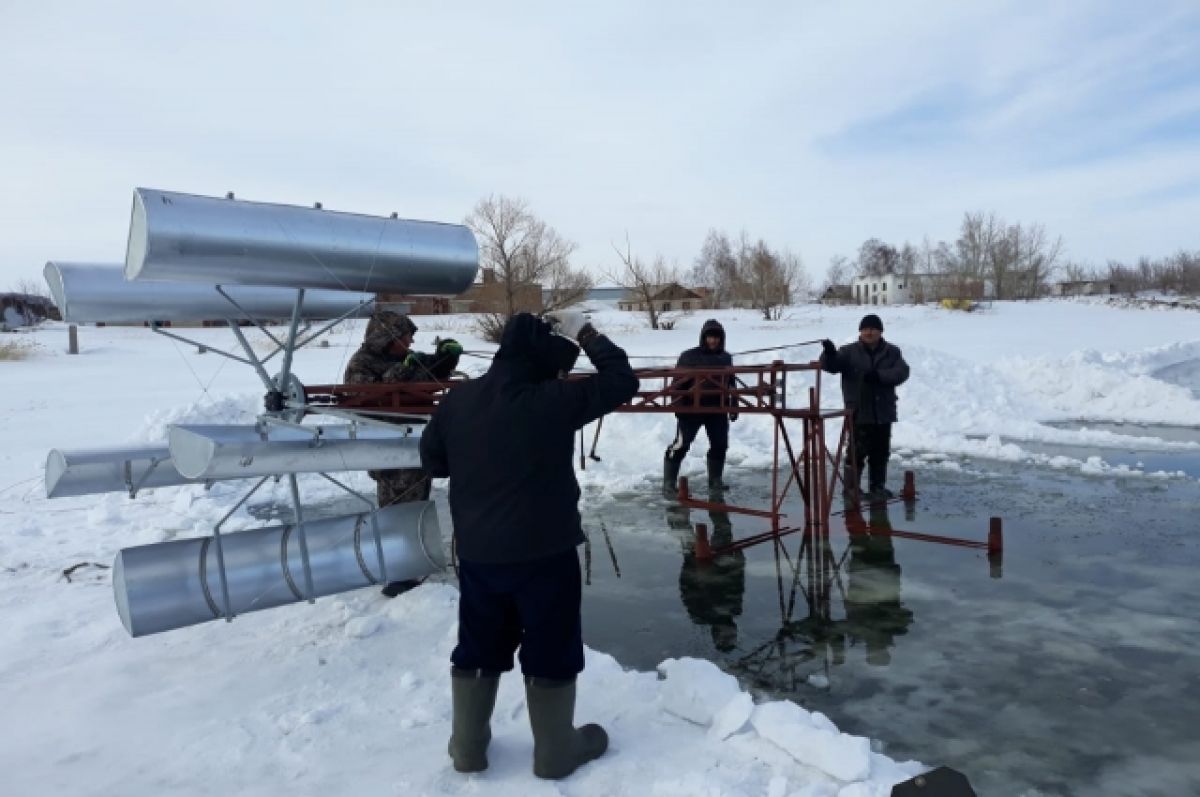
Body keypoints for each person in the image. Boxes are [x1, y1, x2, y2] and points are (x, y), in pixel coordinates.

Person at [420, 311, 638, 779]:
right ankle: (557, 751)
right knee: (551, 643)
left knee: (479, 643)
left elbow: (434, 462)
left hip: (478, 552)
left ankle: (468, 748)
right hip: (546, 552)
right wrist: (587, 333)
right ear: (541, 359)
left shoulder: (457, 402)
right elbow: (622, 381)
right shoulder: (553, 399)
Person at [344, 308, 440, 597]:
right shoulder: (362, 363)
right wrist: (404, 369)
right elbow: (365, 395)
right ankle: (399, 574)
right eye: (406, 336)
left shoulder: (399, 359)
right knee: (396, 509)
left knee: (416, 507)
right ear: (388, 336)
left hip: (413, 444)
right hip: (387, 450)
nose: (410, 342)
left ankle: (414, 568)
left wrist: (442, 360)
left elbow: (426, 383)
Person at [820, 314, 910, 500]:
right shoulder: (848, 352)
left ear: (880, 331)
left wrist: (879, 376)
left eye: (873, 329)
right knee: (855, 451)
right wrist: (828, 353)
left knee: (880, 452)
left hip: (883, 411)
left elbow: (902, 372)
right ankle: (851, 489)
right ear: (860, 331)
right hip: (858, 410)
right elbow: (831, 366)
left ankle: (877, 487)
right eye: (865, 329)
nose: (869, 332)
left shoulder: (892, 352)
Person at [663, 319, 738, 497]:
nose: (713, 341)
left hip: (717, 410)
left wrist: (733, 407)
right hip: (691, 409)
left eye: (717, 337)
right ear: (703, 337)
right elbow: (677, 385)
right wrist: (679, 408)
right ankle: (669, 483)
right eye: (710, 337)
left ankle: (715, 482)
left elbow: (731, 384)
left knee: (720, 445)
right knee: (681, 445)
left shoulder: (725, 357)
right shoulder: (689, 356)